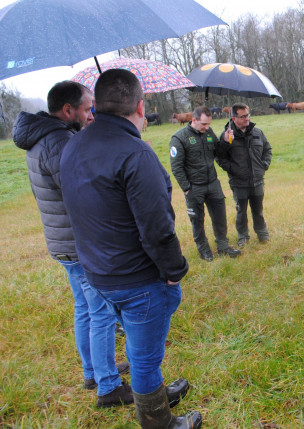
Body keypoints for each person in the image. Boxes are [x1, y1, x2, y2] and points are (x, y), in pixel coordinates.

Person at [60, 69, 201, 428]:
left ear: (97, 105)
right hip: (137, 278)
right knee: (144, 356)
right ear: (140, 106)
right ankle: (158, 421)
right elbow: (157, 229)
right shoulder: (135, 153)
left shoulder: (73, 144)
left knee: (139, 348)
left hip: (97, 272)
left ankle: (150, 392)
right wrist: (174, 271)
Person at [13, 81, 131, 408]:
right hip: (79, 243)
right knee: (102, 311)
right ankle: (108, 387)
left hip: (63, 241)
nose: (92, 112)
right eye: (88, 106)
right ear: (68, 111)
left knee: (86, 308)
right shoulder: (59, 142)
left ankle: (93, 371)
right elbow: (84, 192)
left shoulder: (45, 137)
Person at [169, 106, 241, 260]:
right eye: (203, 124)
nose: (207, 127)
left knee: (220, 217)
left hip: (213, 183)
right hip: (194, 187)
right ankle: (204, 250)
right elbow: (176, 167)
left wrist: (226, 140)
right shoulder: (179, 138)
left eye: (209, 124)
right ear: (193, 120)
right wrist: (187, 188)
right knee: (197, 221)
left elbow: (218, 152)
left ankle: (223, 246)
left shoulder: (208, 133)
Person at [216, 103, 272, 247]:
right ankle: (243, 237)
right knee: (241, 211)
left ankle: (263, 234)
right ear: (234, 118)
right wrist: (232, 169)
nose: (247, 118)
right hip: (239, 182)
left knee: (258, 210)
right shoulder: (227, 136)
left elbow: (267, 149)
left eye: (247, 115)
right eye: (243, 116)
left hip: (257, 180)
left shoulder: (257, 132)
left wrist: (264, 165)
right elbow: (220, 157)